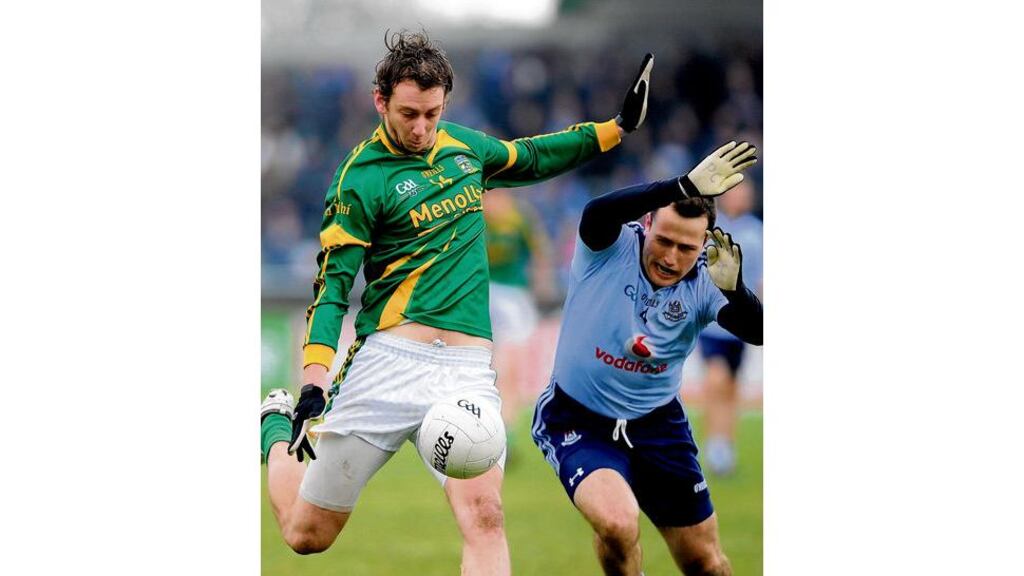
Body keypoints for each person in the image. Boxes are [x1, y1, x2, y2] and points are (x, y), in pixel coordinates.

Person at [258, 30, 654, 575]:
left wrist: (617, 130)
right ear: (381, 102)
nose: (421, 128)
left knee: (486, 516)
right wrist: (312, 382)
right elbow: (330, 290)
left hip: (465, 371)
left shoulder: (466, 148)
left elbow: (534, 156)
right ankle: (275, 426)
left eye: (432, 113)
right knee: (307, 535)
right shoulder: (358, 180)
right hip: (387, 365)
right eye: (408, 113)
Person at [531, 141, 761, 575]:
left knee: (706, 562)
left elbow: (760, 332)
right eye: (664, 240)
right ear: (647, 222)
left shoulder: (709, 278)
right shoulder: (609, 246)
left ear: (703, 244)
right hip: (579, 419)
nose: (671, 257)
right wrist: (682, 184)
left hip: (658, 425)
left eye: (686, 248)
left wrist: (735, 291)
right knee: (617, 524)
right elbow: (597, 211)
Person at [698, 178, 763, 476]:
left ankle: (726, 444)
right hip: (714, 322)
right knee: (716, 379)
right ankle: (713, 445)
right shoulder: (711, 227)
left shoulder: (756, 231)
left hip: (742, 322)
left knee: (732, 387)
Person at [484, 188, 553, 448]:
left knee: (499, 366)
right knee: (507, 367)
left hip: (493, 296)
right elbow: (540, 250)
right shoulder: (517, 215)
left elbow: (540, 251)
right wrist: (542, 284)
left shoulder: (515, 216)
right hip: (503, 298)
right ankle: (502, 427)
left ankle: (498, 428)